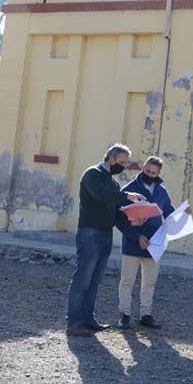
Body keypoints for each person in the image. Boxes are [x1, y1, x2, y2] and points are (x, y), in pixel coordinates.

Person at [65, 143, 145, 337]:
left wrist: (135, 230)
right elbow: (101, 196)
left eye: (126, 163)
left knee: (94, 280)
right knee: (83, 278)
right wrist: (127, 195)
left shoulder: (113, 182)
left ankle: (88, 319)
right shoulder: (92, 174)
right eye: (121, 162)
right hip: (90, 233)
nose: (123, 166)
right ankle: (74, 322)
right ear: (110, 158)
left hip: (105, 234)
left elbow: (116, 214)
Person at [115, 155, 189, 330]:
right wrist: (137, 237)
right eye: (147, 170)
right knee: (127, 280)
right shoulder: (129, 189)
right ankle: (124, 314)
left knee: (149, 281)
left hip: (155, 243)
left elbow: (169, 211)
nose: (149, 174)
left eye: (153, 172)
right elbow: (119, 218)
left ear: (159, 173)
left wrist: (183, 216)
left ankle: (145, 314)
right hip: (133, 243)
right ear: (142, 167)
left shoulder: (162, 191)